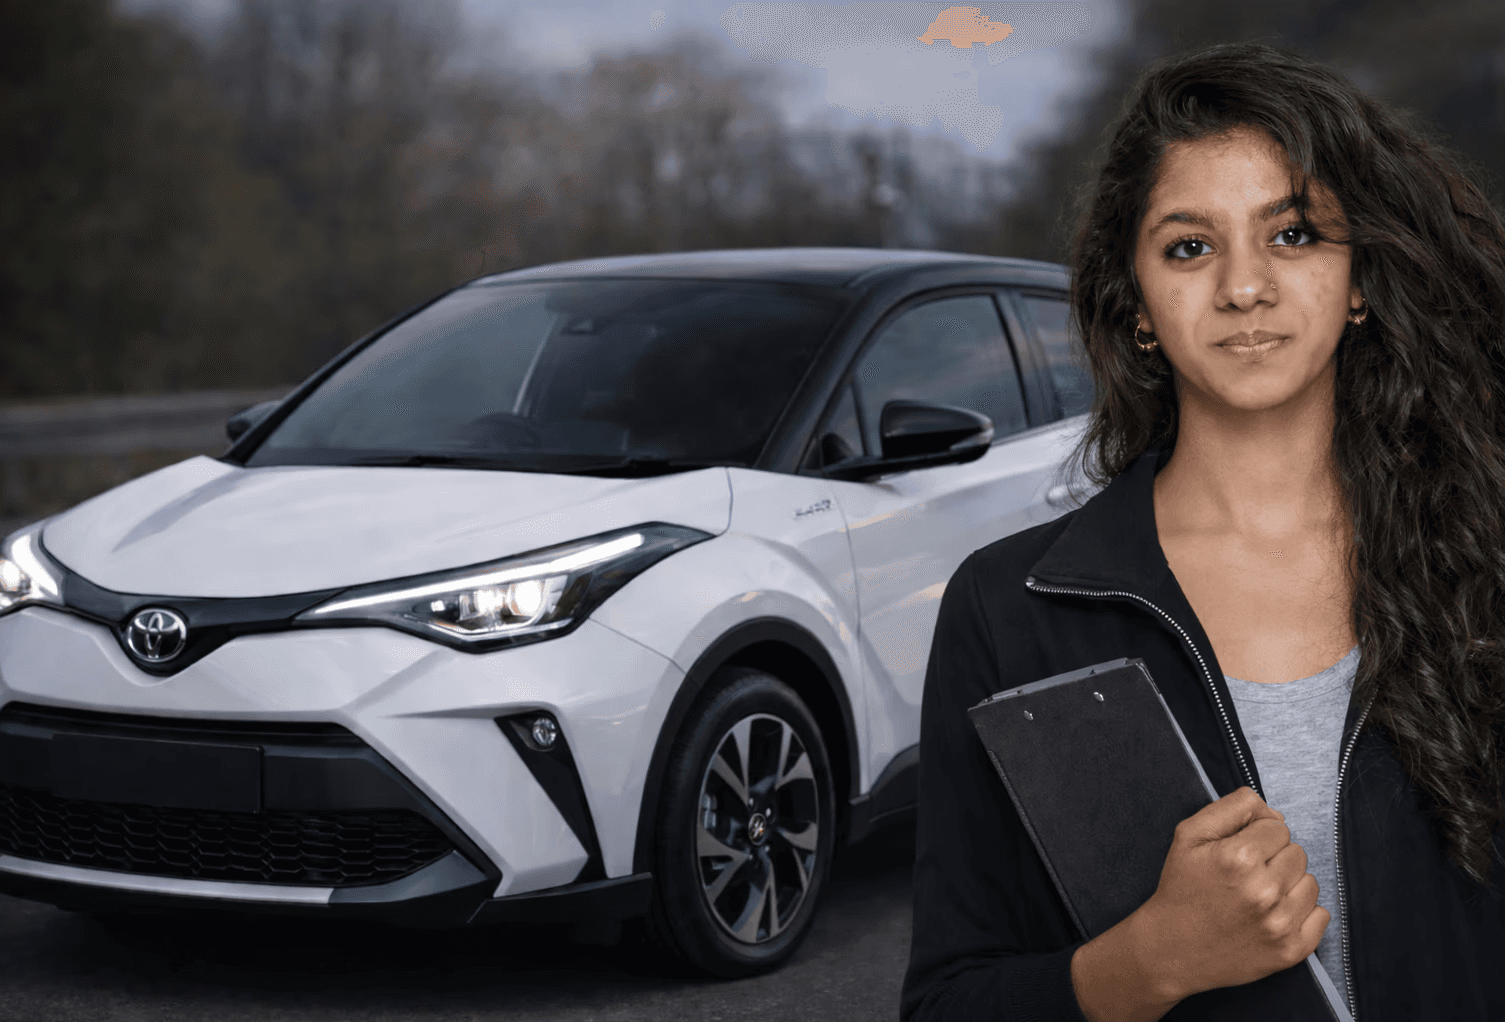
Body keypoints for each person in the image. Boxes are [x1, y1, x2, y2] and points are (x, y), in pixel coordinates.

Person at [901, 41, 1505, 1022]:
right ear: (1137, 302)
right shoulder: (1007, 609)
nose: (1242, 286)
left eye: (1292, 235)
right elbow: (946, 1001)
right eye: (1189, 247)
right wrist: (1146, 962)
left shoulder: (1483, 560)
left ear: (1358, 279)